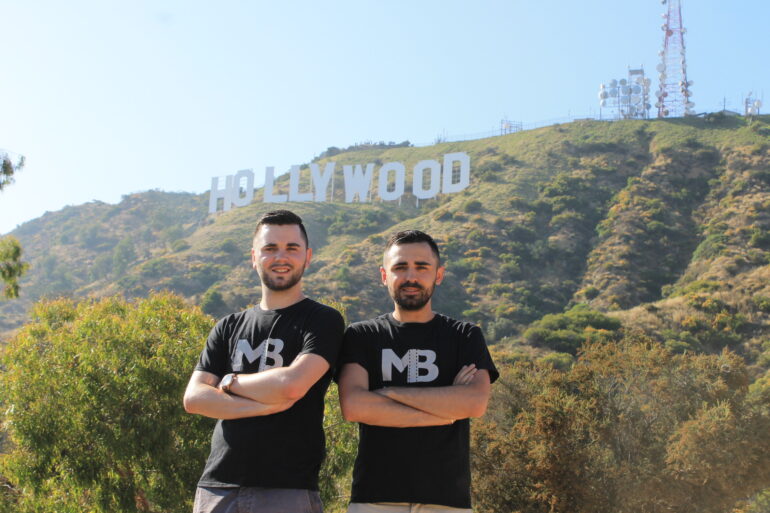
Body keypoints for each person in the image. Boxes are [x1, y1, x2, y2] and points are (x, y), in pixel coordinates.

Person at [183, 209, 344, 513]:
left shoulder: (323, 320)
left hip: (287, 489)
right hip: (216, 488)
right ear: (254, 257)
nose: (281, 257)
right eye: (270, 248)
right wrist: (266, 405)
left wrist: (229, 383)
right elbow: (194, 399)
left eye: (291, 248)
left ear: (308, 257)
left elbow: (291, 386)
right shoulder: (228, 326)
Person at [337, 230, 499, 513]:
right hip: (374, 499)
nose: (411, 277)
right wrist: (446, 408)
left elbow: (474, 402)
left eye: (422, 267)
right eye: (400, 267)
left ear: (438, 274)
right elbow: (353, 406)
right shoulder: (361, 335)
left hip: (447, 502)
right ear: (384, 275)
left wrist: (387, 393)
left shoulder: (464, 336)